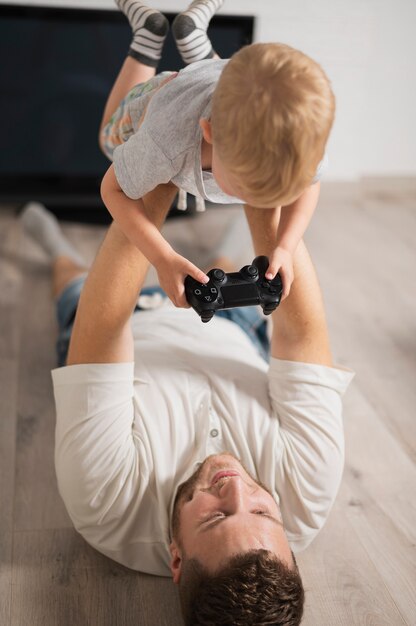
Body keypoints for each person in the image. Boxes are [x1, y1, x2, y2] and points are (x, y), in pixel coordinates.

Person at [21, 198, 353, 625]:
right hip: (235, 332)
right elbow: (302, 334)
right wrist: (258, 185)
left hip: (129, 325)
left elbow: (104, 326)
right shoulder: (309, 495)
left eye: (216, 516)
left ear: (176, 559)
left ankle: (54, 246)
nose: (235, 487)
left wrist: (158, 175)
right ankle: (224, 250)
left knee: (72, 284)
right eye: (263, 511)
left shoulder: (104, 499)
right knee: (224, 271)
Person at [99, 0, 335, 307]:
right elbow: (113, 188)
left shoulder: (303, 144)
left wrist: (286, 247)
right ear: (209, 132)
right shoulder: (166, 140)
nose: (256, 203)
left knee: (231, 83)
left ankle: (193, 34)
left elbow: (309, 185)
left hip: (216, 79)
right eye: (242, 189)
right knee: (107, 141)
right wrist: (162, 258)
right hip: (163, 96)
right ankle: (147, 33)